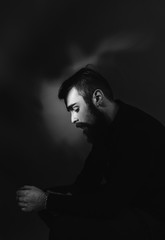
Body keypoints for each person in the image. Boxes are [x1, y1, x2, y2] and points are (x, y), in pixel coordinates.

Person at [16, 66, 165, 239]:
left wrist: (47, 201)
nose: (73, 119)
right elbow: (87, 181)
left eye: (75, 108)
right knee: (50, 202)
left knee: (64, 225)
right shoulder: (104, 130)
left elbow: (109, 205)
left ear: (97, 98)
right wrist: (51, 197)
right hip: (125, 202)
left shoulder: (137, 131)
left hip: (153, 216)